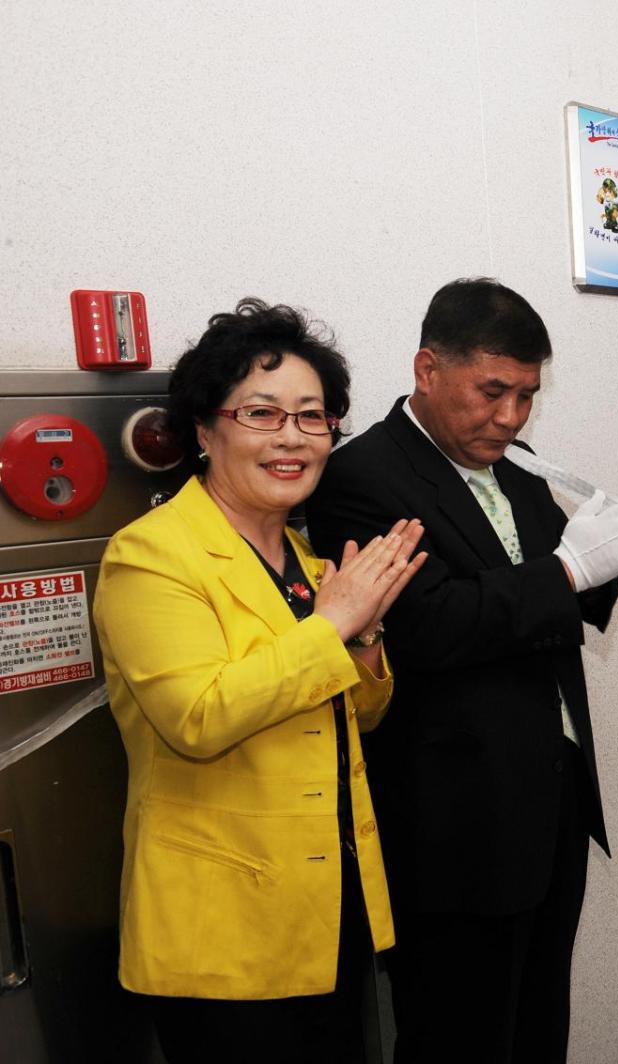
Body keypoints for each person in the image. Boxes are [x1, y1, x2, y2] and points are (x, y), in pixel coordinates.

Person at [305, 278, 618, 1063]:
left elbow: (552, 601)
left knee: (542, 1015)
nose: (510, 417)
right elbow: (427, 627)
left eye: (527, 396)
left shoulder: (518, 463)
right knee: (459, 1034)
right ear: (427, 369)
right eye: (492, 391)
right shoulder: (362, 478)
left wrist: (613, 552)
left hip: (552, 789)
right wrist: (573, 569)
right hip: (454, 819)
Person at [93, 299, 425, 1063]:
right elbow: (198, 718)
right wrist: (334, 625)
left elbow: (357, 717)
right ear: (205, 432)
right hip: (221, 932)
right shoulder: (150, 556)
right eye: (263, 414)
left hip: (325, 907)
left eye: (314, 417)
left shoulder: (311, 568)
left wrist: (366, 630)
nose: (292, 438)